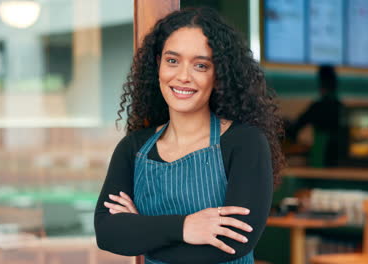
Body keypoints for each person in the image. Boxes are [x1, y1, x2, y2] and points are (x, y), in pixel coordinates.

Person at [94, 7, 283, 264]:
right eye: (172, 60)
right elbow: (107, 233)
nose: (183, 76)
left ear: (218, 75)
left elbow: (231, 242)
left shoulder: (245, 143)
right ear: (158, 65)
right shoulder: (133, 148)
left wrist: (141, 232)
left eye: (200, 65)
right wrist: (185, 227)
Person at [287, 65, 344, 167]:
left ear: (321, 83)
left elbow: (295, 128)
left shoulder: (317, 107)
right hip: (339, 160)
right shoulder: (341, 107)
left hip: (320, 158)